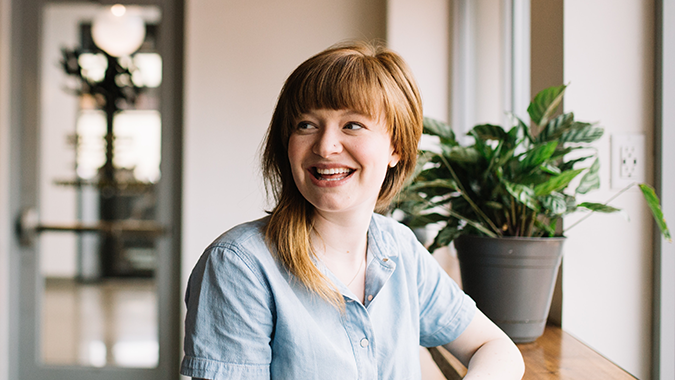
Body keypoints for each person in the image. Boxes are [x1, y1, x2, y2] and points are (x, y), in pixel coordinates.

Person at [180, 41, 525, 380]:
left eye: (352, 125)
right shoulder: (239, 265)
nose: (325, 146)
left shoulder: (399, 247)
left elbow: (494, 346)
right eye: (306, 125)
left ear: (397, 147)